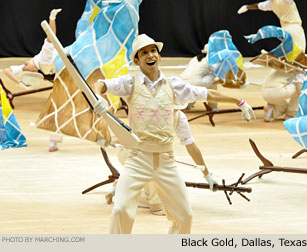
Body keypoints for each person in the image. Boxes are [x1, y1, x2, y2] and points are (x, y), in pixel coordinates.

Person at [92, 34, 255, 234]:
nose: (150, 55)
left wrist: (239, 101)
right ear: (136, 60)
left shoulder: (174, 86)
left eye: (153, 51)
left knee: (185, 216)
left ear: (159, 57)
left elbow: (207, 94)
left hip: (166, 161)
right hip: (137, 158)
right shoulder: (130, 83)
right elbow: (101, 84)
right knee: (121, 210)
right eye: (144, 52)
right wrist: (99, 98)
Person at [105, 108, 218, 217]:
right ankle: (155, 205)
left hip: (155, 155)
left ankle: (122, 187)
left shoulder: (179, 116)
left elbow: (191, 146)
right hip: (131, 153)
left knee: (173, 198)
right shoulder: (149, 109)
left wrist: (207, 175)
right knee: (155, 167)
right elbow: (126, 133)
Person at [4, 8, 62, 152]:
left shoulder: (43, 58)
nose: (24, 69)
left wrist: (52, 18)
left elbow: (51, 36)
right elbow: (7, 70)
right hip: (63, 82)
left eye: (25, 68)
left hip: (74, 69)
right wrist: (19, 83)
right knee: (56, 109)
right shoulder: (29, 68)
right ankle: (53, 143)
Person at [238, 0, 306, 122]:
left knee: (289, 61)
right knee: (299, 65)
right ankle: (292, 112)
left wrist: (247, 7)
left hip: (285, 30)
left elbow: (259, 6)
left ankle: (274, 108)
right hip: (294, 29)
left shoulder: (272, 2)